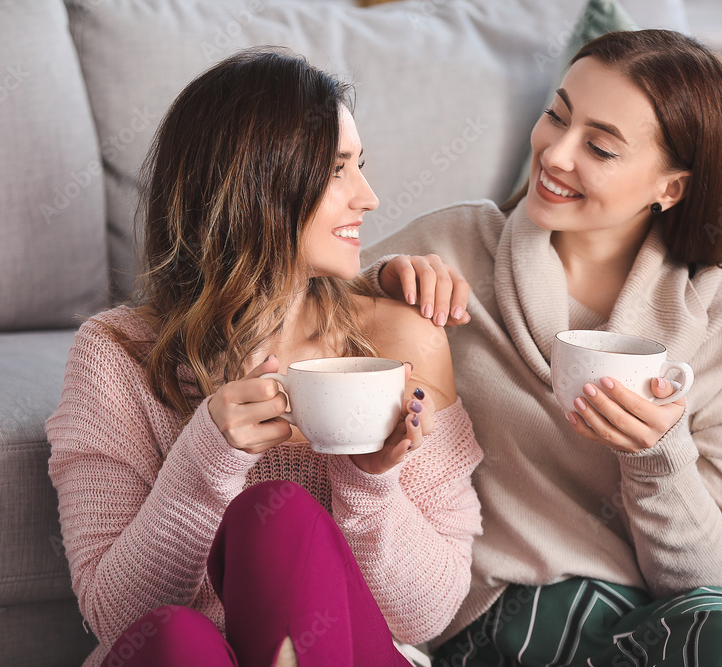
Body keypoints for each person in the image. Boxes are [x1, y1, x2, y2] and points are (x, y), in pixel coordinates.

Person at [364, 30, 722, 666]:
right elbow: (286, 306)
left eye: (598, 146)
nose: (555, 153)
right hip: (510, 611)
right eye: (556, 116)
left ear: (671, 188)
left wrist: (658, 457)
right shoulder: (456, 244)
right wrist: (377, 285)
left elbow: (713, 576)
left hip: (677, 610)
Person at [45, 48, 483, 667]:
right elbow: (117, 619)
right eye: (336, 171)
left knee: (277, 521)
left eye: (359, 166)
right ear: (256, 186)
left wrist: (369, 480)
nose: (369, 197)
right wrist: (207, 457)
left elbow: (430, 612)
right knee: (176, 638)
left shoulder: (397, 338)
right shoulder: (116, 353)